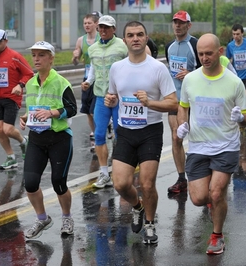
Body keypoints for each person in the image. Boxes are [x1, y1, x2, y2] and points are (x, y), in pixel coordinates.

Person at [177, 33, 246, 254]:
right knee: (199, 198)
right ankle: (215, 204)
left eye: (209, 53)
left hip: (225, 145)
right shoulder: (190, 79)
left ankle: (217, 236)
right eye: (200, 54)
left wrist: (241, 118)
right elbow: (183, 106)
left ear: (220, 52)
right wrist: (182, 124)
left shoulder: (234, 82)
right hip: (198, 146)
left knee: (217, 193)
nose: (204, 58)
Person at [105, 21, 177, 244]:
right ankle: (137, 206)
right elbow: (112, 96)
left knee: (147, 184)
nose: (135, 38)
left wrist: (150, 102)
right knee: (120, 184)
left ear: (146, 38)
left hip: (150, 132)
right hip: (125, 131)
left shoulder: (157, 68)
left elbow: (173, 104)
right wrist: (111, 100)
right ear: (124, 40)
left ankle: (150, 223)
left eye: (139, 35)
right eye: (130, 35)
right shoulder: (117, 68)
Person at [19, 41, 77, 239]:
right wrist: (26, 118)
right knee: (31, 183)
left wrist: (52, 113)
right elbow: (33, 109)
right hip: (36, 138)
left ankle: (67, 217)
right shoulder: (30, 83)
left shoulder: (61, 82)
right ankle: (42, 218)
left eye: (41, 55)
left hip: (59, 138)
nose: (36, 59)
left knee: (58, 182)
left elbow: (72, 109)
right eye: (34, 55)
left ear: (51, 58)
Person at [82, 15, 128, 189]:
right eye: (101, 27)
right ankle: (103, 173)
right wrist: (88, 81)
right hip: (101, 96)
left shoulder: (122, 46)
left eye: (107, 27)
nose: (103, 30)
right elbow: (93, 70)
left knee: (120, 135)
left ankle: (121, 169)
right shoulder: (93, 48)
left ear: (114, 29)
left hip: (119, 98)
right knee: (99, 135)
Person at [165, 10, 201, 194]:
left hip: (194, 100)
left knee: (197, 138)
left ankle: (204, 176)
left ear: (189, 25)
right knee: (175, 136)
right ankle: (181, 179)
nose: (177, 26)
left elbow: (206, 70)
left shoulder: (195, 45)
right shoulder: (170, 47)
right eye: (175, 22)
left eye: (181, 23)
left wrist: (191, 74)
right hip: (175, 100)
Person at [0, 29, 33, 170]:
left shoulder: (15, 56)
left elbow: (29, 73)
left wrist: (20, 85)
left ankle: (23, 141)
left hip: (11, 97)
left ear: (6, 41)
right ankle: (11, 158)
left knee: (8, 130)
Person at [72, 12, 100, 148]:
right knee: (88, 110)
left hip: (100, 78)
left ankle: (101, 131)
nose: (87, 25)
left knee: (96, 110)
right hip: (87, 79)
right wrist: (75, 57)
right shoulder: (80, 40)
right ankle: (95, 132)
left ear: (96, 24)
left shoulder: (101, 38)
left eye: (89, 23)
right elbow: (76, 63)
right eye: (85, 23)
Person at [226, 23, 246, 126]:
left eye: (238, 34)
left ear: (242, 33)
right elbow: (228, 59)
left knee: (244, 96)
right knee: (238, 99)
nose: (236, 36)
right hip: (237, 77)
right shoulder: (230, 46)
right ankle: (243, 117)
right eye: (234, 34)